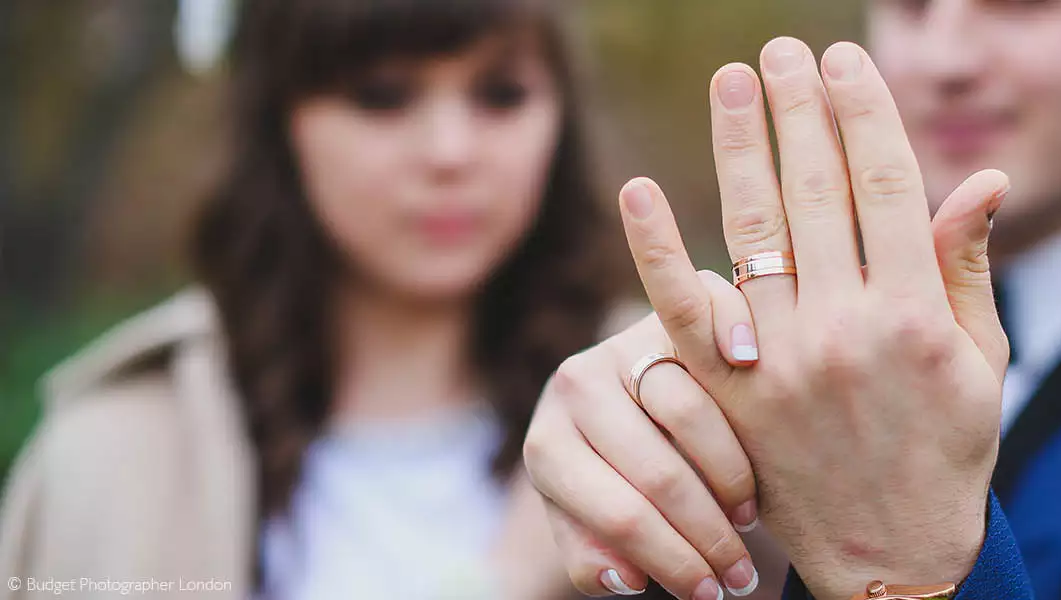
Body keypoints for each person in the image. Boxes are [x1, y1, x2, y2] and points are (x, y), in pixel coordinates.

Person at [521, 0, 1061, 598]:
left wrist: (902, 567)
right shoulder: (821, 355)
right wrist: (662, 465)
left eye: (1018, 3)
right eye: (910, 4)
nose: (943, 58)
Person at [0, 0, 624, 598]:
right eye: (382, 95)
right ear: (281, 120)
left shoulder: (655, 408)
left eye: (500, 94)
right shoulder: (114, 455)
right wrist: (502, 584)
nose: (450, 153)